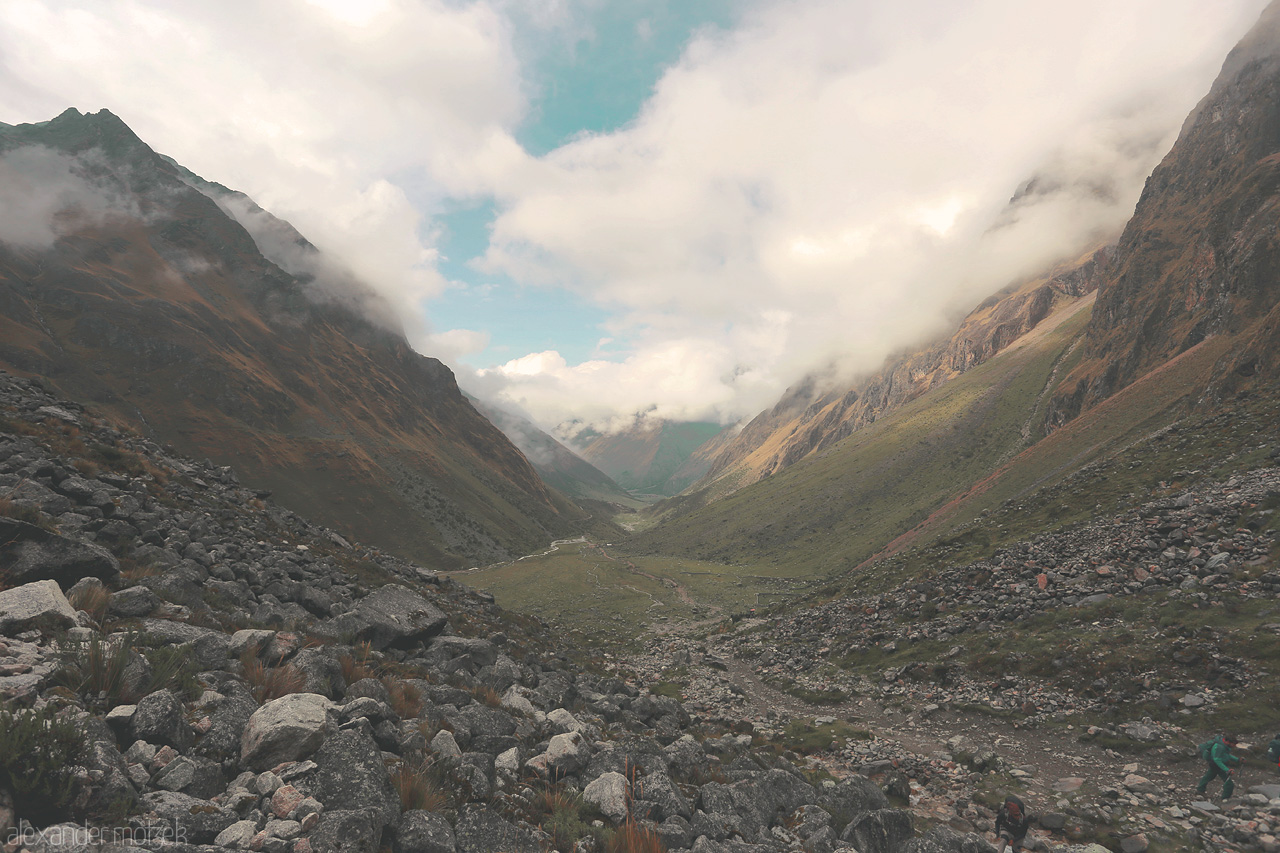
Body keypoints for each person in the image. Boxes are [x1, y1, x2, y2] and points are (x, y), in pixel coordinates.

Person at [1196, 733, 1242, 800]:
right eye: (1233, 744)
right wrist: (1227, 770)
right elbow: (1217, 759)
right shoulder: (1220, 747)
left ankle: (1200, 790)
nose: (1234, 746)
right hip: (1216, 765)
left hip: (1216, 764)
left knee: (1209, 776)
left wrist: (1237, 759)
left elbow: (1226, 755)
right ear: (1228, 742)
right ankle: (1225, 798)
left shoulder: (1224, 746)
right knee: (1228, 783)